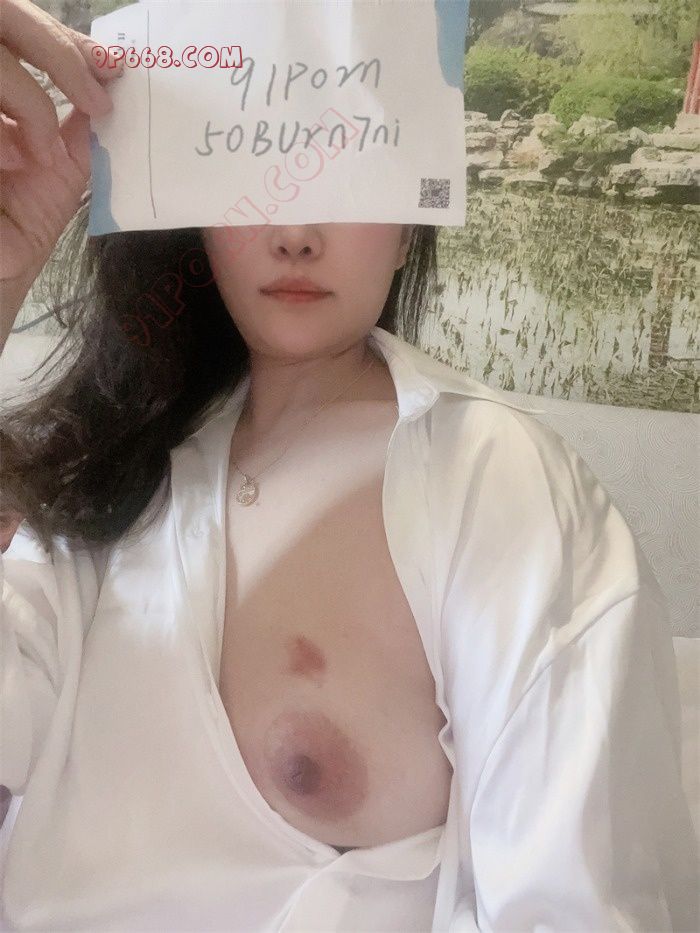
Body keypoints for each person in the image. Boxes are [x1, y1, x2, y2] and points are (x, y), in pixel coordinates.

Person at [1, 2, 698, 931]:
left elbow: (576, 904)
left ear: (412, 219)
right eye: (251, 161)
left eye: (348, 159)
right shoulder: (106, 468)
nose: (295, 227)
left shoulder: (498, 486)